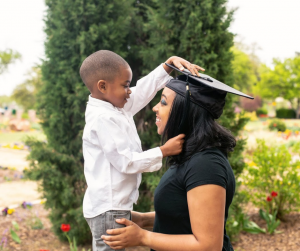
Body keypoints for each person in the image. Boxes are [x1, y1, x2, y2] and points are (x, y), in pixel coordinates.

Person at [101, 64, 253, 251]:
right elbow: (184, 213)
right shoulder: (191, 155)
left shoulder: (206, 165)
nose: (155, 108)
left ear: (185, 111)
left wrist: (143, 237)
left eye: (163, 102)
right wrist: (143, 219)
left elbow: (208, 245)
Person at [79, 50, 204, 251]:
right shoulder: (102, 118)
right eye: (125, 85)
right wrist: (163, 151)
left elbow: (142, 91)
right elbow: (125, 161)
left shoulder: (113, 106)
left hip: (112, 207)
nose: (130, 91)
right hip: (109, 208)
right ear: (102, 86)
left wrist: (167, 66)